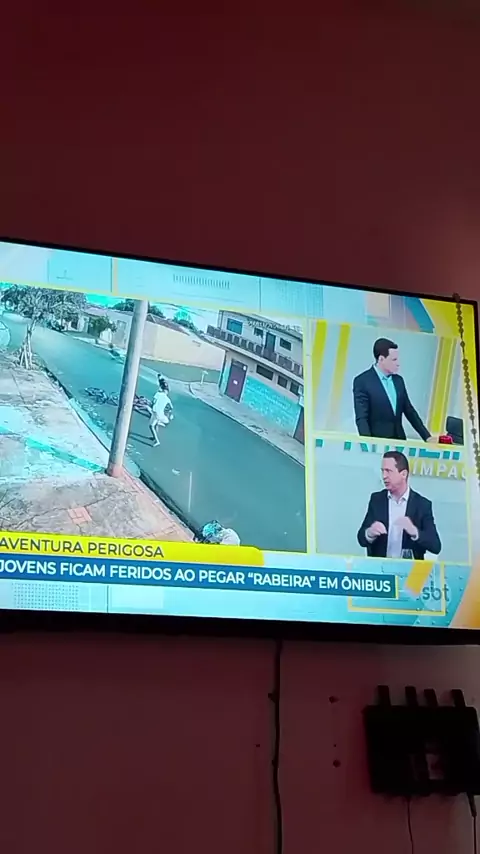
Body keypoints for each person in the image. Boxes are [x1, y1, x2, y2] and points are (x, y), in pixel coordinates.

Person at [357, 451, 441, 560]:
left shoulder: (422, 505)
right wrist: (370, 533)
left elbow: (436, 546)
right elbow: (361, 539)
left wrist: (414, 532)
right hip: (380, 568)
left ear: (403, 474)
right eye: (382, 471)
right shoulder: (377, 500)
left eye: (388, 471)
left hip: (409, 569)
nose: (384, 476)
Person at [352, 338, 433, 441]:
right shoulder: (362, 381)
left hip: (399, 441)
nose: (398, 363)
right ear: (381, 359)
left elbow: (409, 411)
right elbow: (362, 418)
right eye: (394, 360)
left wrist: (427, 437)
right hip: (378, 442)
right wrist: (368, 444)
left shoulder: (398, 381)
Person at [149, 381, 173, 447]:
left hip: (155, 413)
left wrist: (152, 405)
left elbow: (153, 402)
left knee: (151, 426)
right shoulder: (167, 399)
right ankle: (154, 437)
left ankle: (157, 441)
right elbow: (171, 407)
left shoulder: (158, 394)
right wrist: (168, 412)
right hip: (161, 414)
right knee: (156, 424)